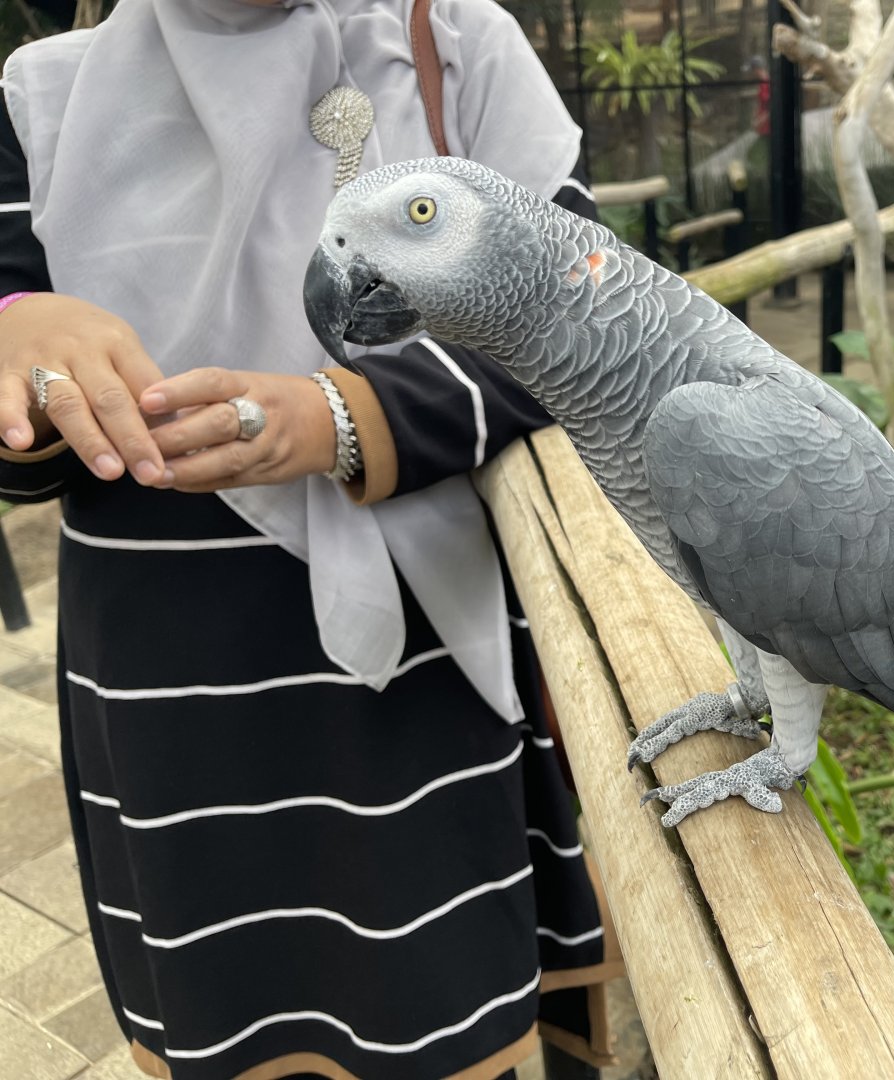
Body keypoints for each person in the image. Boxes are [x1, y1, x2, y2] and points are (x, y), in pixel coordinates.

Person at [0, 1, 625, 1077]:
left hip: (421, 687)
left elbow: (583, 306)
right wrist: (18, 334)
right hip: (176, 704)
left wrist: (341, 418)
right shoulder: (39, 96)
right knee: (228, 1012)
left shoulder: (454, 43)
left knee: (439, 1010)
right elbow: (30, 458)